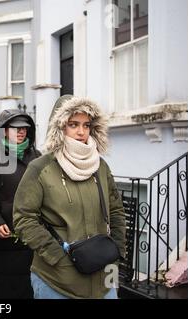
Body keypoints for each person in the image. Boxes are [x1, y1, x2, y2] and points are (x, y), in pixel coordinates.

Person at [13, 96, 126, 299]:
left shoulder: (101, 166)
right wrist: (57, 257)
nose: (81, 132)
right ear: (60, 126)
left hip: (103, 278)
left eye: (86, 125)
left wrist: (116, 250)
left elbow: (116, 210)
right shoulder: (40, 168)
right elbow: (23, 218)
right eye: (73, 124)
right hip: (57, 282)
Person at [0, 109, 41, 299]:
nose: (21, 132)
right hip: (3, 237)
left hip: (33, 235)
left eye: (24, 128)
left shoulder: (37, 157)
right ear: (4, 132)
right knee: (5, 290)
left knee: (30, 288)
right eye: (15, 128)